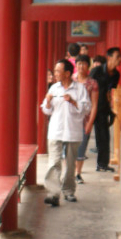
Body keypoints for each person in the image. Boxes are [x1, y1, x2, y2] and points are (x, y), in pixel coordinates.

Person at [41, 58, 90, 206]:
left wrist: (73, 102)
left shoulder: (79, 89)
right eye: (55, 71)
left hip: (72, 131)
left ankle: (69, 191)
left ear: (67, 73)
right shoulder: (54, 88)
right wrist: (47, 102)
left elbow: (87, 108)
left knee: (70, 164)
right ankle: (53, 193)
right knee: (54, 162)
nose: (55, 74)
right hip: (55, 130)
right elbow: (46, 110)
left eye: (58, 71)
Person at [89, 46, 121, 172]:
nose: (120, 59)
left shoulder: (116, 74)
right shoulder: (96, 71)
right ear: (109, 57)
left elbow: (110, 91)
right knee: (83, 137)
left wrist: (111, 107)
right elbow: (87, 87)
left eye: (120, 57)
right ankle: (76, 167)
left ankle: (102, 164)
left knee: (104, 136)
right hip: (90, 106)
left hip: (103, 108)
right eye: (117, 56)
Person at [73, 54, 98, 183]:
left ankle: (78, 173)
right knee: (69, 146)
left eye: (84, 63)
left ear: (88, 66)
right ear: (76, 65)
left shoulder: (92, 83)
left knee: (81, 147)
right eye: (79, 64)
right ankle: (70, 172)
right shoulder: (71, 80)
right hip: (70, 118)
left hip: (85, 119)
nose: (81, 66)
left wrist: (90, 122)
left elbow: (94, 105)